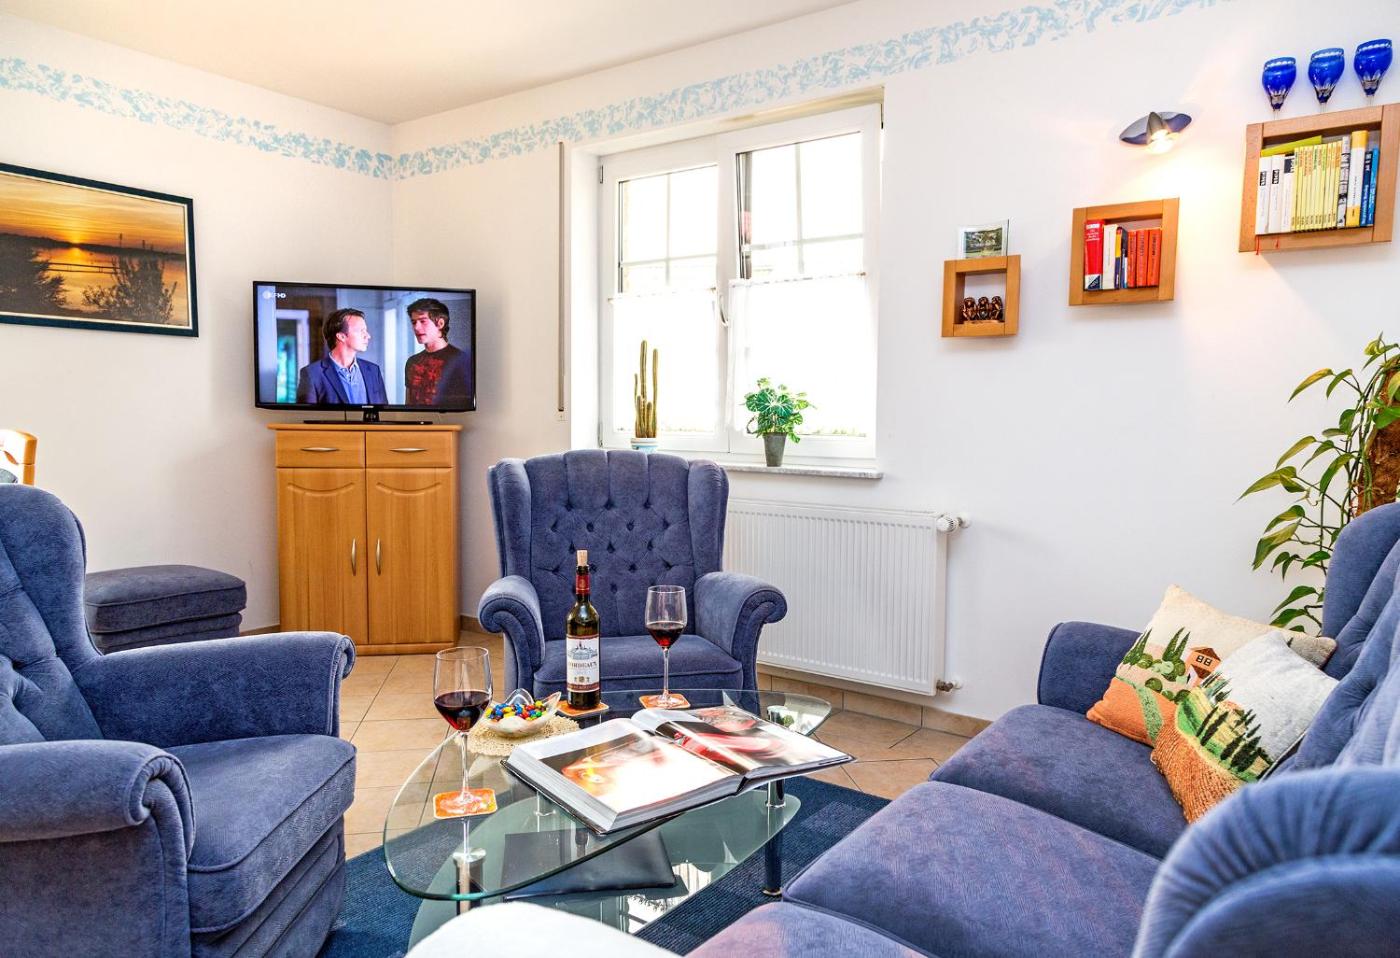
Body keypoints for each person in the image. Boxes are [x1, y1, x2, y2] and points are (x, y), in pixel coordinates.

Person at [296, 308, 388, 405]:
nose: (368, 336)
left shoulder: (373, 371)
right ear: (341, 336)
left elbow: (384, 411)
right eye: (361, 331)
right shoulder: (312, 374)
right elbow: (306, 413)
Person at [403, 297, 473, 407]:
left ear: (440, 323)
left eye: (423, 321)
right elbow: (408, 405)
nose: (416, 327)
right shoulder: (412, 362)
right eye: (413, 322)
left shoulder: (460, 361)